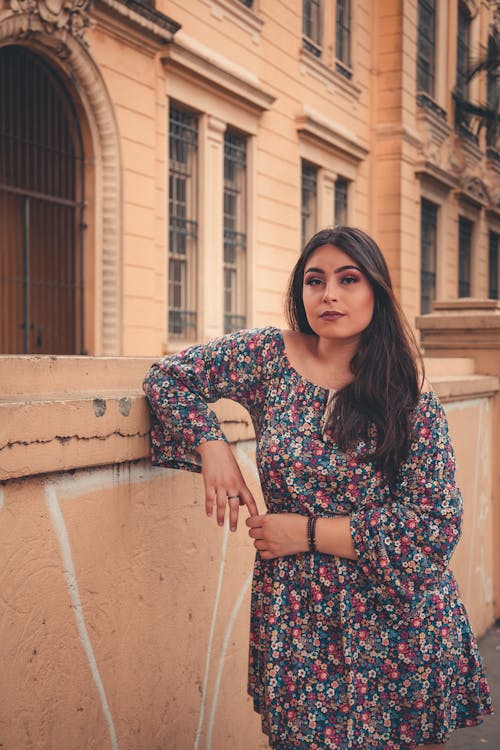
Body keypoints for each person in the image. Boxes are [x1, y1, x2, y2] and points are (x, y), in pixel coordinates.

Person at [143, 226, 492, 750]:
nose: (328, 293)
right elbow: (167, 378)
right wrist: (212, 446)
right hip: (300, 618)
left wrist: (305, 533)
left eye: (348, 279)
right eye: (315, 280)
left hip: (397, 619)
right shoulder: (267, 356)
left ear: (376, 289)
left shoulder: (408, 395)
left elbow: (433, 528)